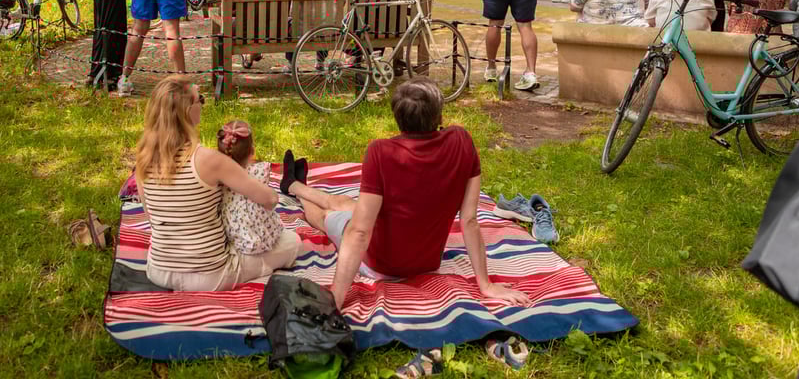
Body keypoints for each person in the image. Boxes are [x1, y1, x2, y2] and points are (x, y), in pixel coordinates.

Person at [276, 77, 532, 310]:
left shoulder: (381, 151)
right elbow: (470, 220)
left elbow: (360, 232)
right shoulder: (461, 141)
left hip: (381, 265)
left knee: (324, 215)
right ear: (439, 116)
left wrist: (337, 296)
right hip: (428, 261)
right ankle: (295, 185)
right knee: (344, 202)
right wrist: (485, 284)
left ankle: (297, 194)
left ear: (398, 118)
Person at [136, 76, 300, 291]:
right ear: (188, 112)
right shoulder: (208, 160)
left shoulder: (143, 158)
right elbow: (269, 199)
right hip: (210, 275)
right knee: (292, 241)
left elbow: (151, 217)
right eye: (200, 100)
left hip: (158, 270)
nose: (203, 105)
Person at [218, 120, 297, 260]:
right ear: (252, 151)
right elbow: (269, 201)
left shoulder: (218, 175)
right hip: (265, 236)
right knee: (293, 240)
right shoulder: (260, 170)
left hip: (238, 238)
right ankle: (292, 184)